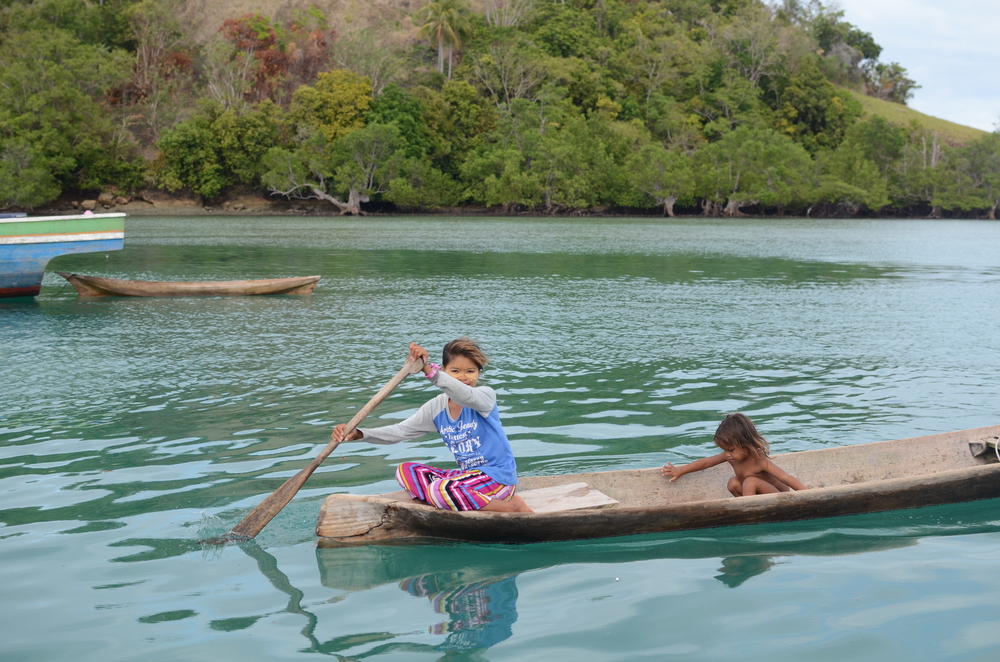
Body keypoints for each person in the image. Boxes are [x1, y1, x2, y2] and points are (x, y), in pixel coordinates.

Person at [332, 339, 533, 513]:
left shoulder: (484, 397)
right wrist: (360, 434)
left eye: (470, 371)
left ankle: (511, 506)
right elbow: (400, 431)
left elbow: (464, 394)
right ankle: (443, 498)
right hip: (467, 478)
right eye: (455, 371)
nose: (464, 377)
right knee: (405, 471)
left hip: (497, 480)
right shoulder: (436, 407)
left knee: (439, 489)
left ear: (479, 374)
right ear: (445, 371)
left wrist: (429, 370)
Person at [661, 413, 807, 496]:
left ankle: (748, 512)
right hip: (756, 497)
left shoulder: (758, 459)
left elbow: (785, 477)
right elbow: (707, 462)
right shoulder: (731, 457)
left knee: (750, 481)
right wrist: (680, 470)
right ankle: (747, 508)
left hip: (777, 495)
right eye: (725, 450)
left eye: (731, 450)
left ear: (746, 445)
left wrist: (806, 495)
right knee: (733, 482)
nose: (728, 454)